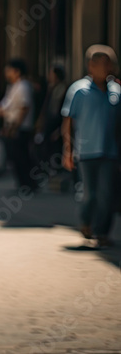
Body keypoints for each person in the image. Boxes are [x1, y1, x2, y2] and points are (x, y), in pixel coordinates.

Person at [61, 45, 121, 247]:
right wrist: (67, 150)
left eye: (109, 64)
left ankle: (102, 232)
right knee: (89, 194)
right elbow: (68, 122)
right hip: (86, 152)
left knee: (107, 195)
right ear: (91, 65)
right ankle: (86, 222)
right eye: (103, 63)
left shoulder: (116, 91)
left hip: (110, 152)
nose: (108, 68)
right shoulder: (78, 90)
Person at [0, 58, 39, 192]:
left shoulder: (23, 86)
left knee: (22, 158)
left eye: (9, 70)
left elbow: (24, 108)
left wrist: (15, 127)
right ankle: (22, 183)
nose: (7, 73)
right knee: (15, 158)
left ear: (17, 71)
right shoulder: (14, 86)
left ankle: (28, 184)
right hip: (11, 126)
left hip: (20, 128)